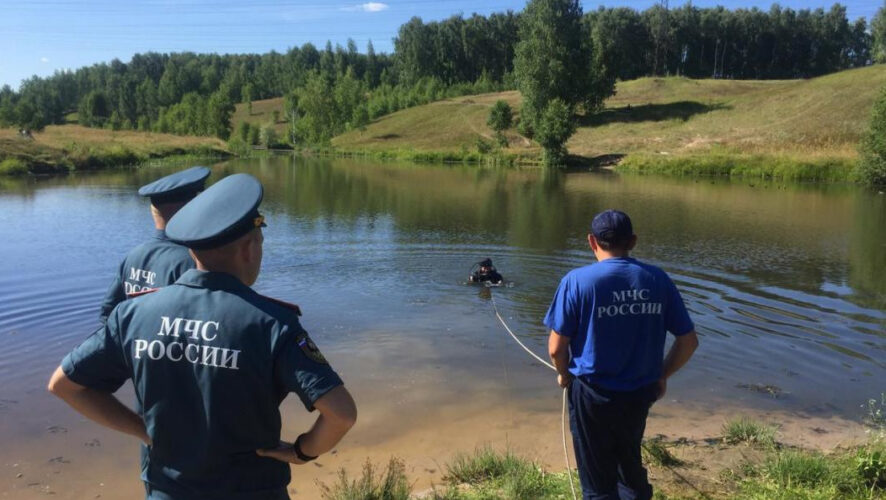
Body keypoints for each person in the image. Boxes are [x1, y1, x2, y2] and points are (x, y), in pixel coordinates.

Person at [48, 173, 357, 499]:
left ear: (192, 249)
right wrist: (302, 451)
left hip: (167, 489)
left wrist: (143, 430)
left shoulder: (134, 314)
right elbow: (341, 414)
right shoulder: (271, 323)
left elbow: (64, 386)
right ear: (250, 249)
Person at [544, 209, 698, 500]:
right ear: (633, 241)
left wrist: (564, 374)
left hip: (591, 394)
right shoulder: (658, 279)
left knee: (597, 478)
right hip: (640, 391)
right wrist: (662, 375)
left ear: (592, 241)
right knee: (628, 462)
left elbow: (556, 348)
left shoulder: (577, 281)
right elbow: (688, 341)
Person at [99, 166, 211, 323]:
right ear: (189, 209)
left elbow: (108, 312)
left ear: (154, 211)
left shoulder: (133, 256)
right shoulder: (195, 261)